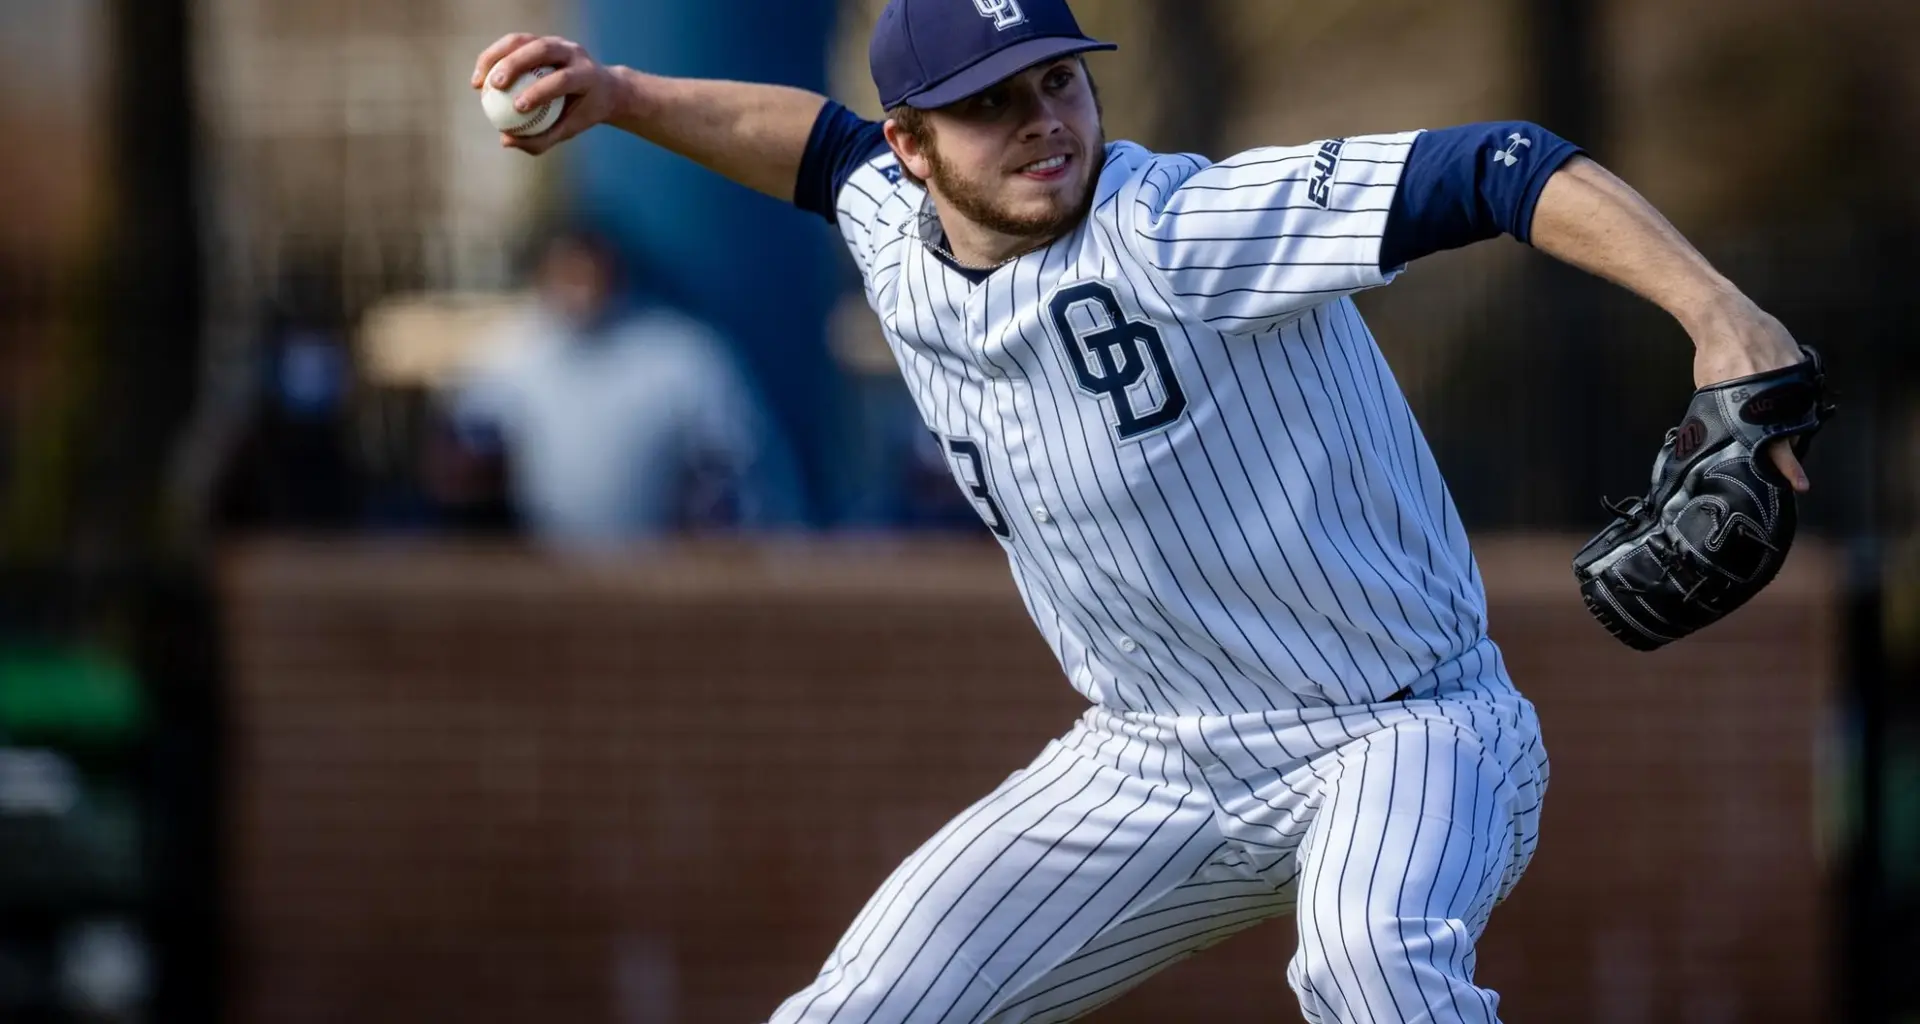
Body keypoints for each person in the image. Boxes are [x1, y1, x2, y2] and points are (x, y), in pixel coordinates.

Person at [469, 1, 1810, 1019]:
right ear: (916, 148)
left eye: (1059, 79)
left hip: (1401, 731)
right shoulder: (893, 223)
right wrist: (624, 91)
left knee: (1369, 965)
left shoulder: (1182, 227)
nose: (1047, 118)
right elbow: (812, 152)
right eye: (996, 102)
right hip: (1150, 762)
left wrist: (1724, 319)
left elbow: (1502, 164)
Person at [437, 227, 800, 547]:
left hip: (662, 568)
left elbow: (731, 468)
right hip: (540, 564)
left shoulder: (679, 354)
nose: (579, 289)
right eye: (567, 274)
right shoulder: (509, 353)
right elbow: (463, 455)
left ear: (615, 274)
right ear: (544, 277)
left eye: (588, 274)